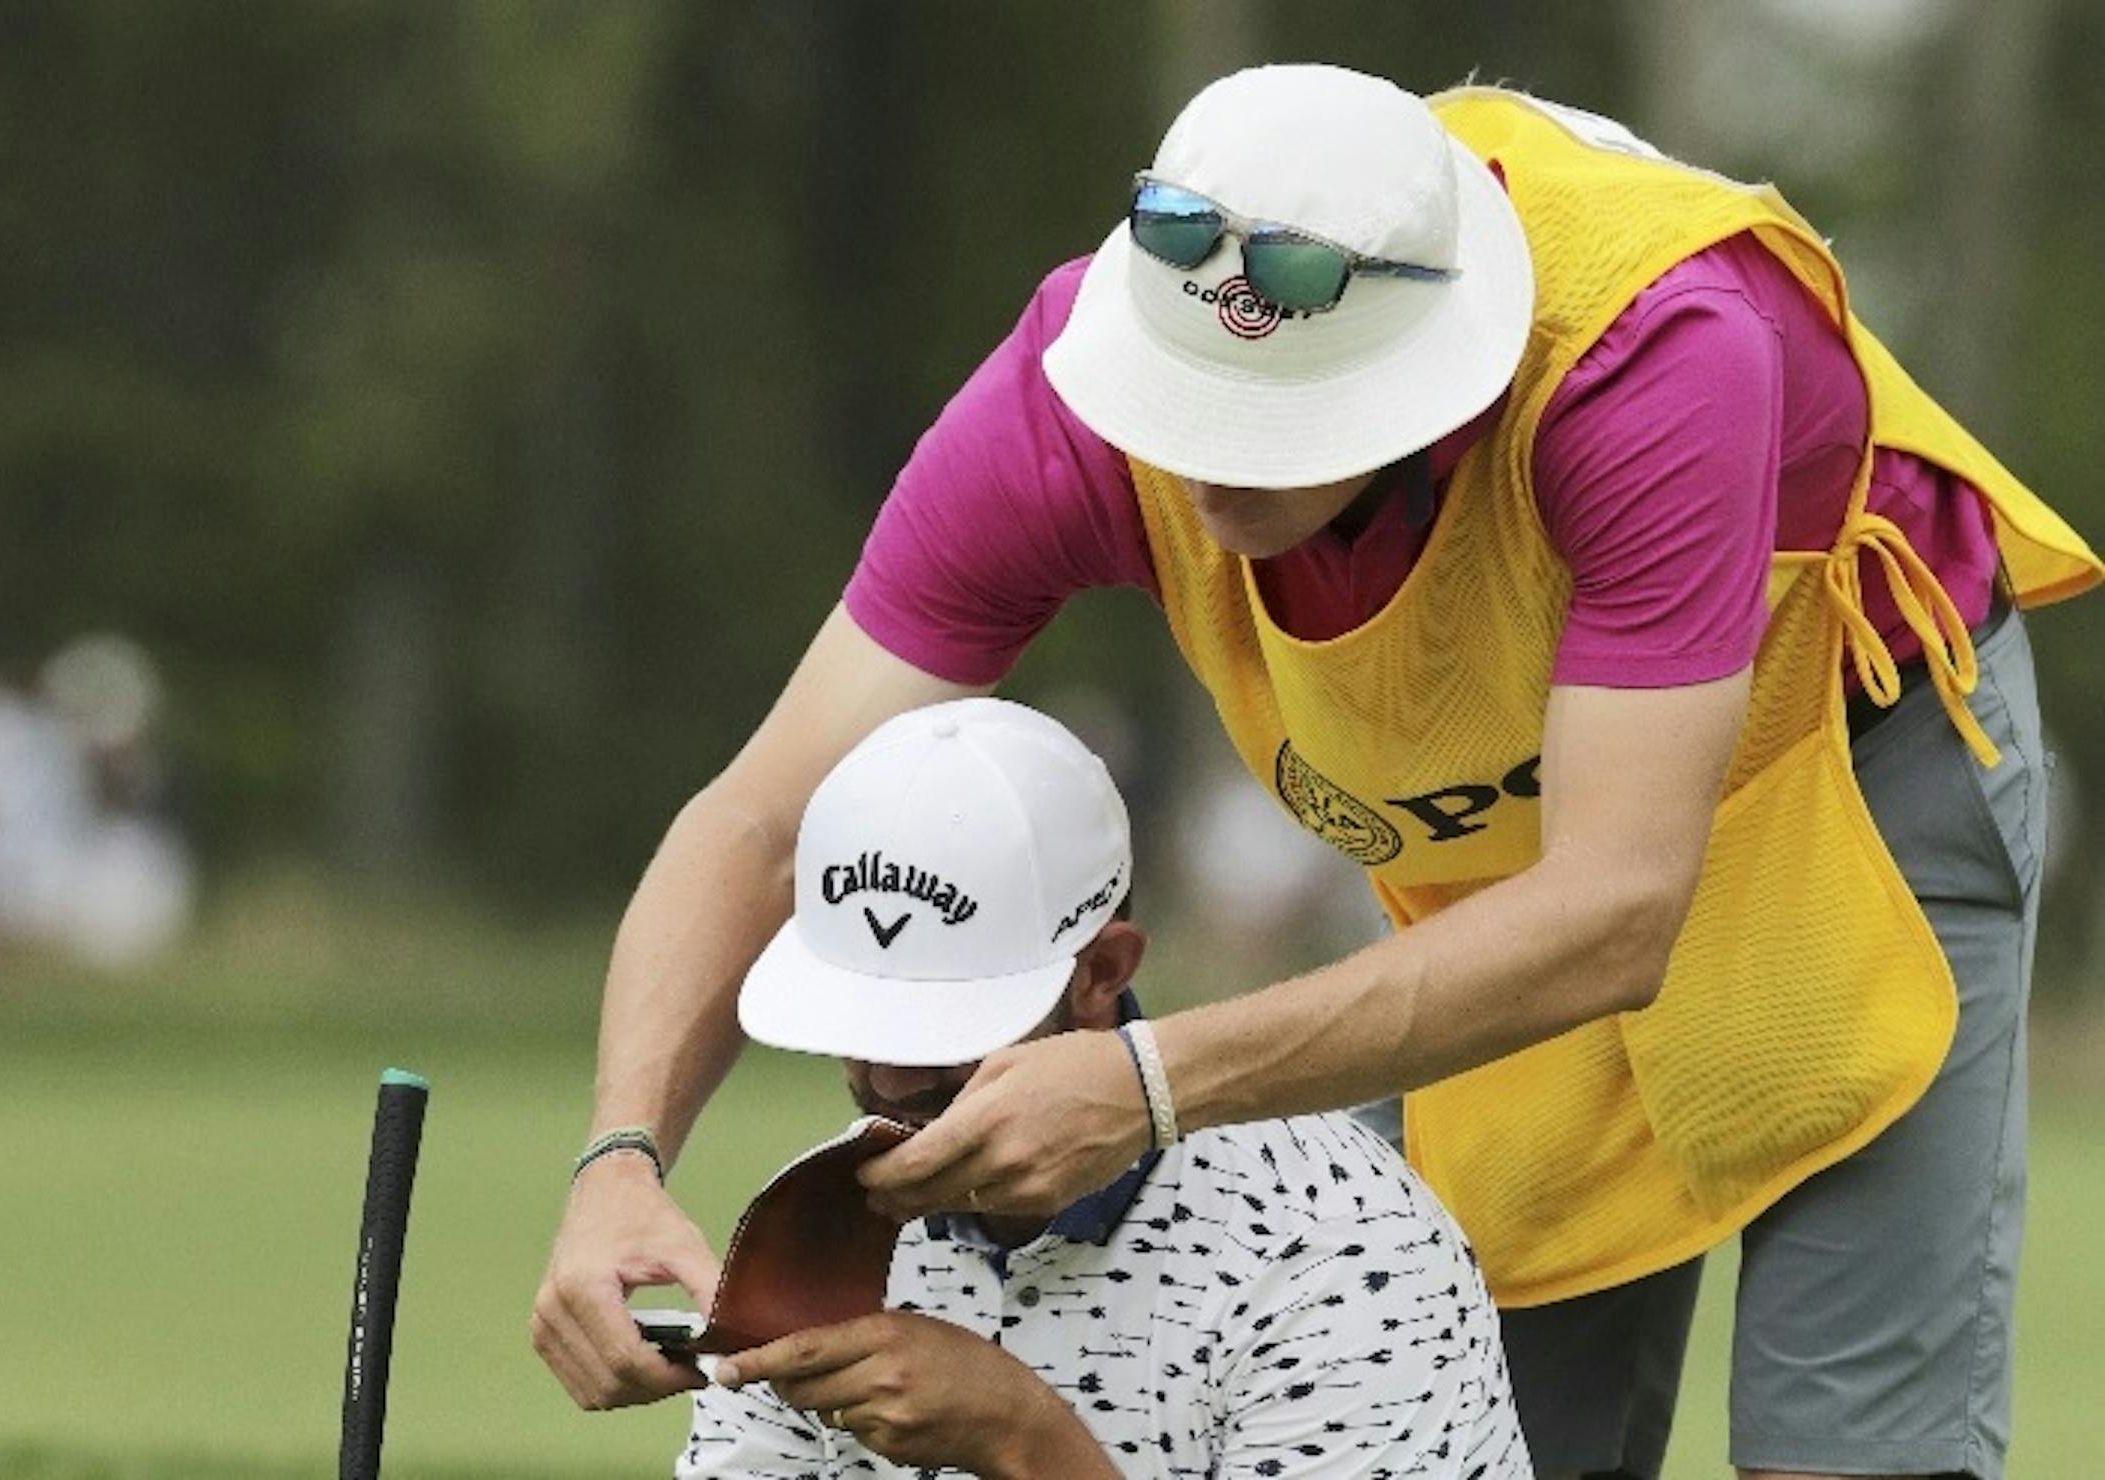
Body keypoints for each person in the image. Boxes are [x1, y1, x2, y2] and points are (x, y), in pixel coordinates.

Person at [533, 65, 2102, 1480]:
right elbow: (763, 808)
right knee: (1462, 1423)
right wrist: (620, 1157)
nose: (1212, 463)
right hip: (1509, 866)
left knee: (1841, 1449)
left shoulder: (1651, 362)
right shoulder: (1062, 408)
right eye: (1187, 406)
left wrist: (1147, 1088)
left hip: (1838, 777)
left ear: (1440, 380)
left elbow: (1622, 908)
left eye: (1278, 422)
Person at [667, 697, 1529, 1477]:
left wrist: (1023, 1438)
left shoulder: (1335, 1245)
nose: (888, 1077)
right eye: (862, 1019)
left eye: (945, 1025)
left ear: (1100, 974)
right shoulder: (813, 1222)